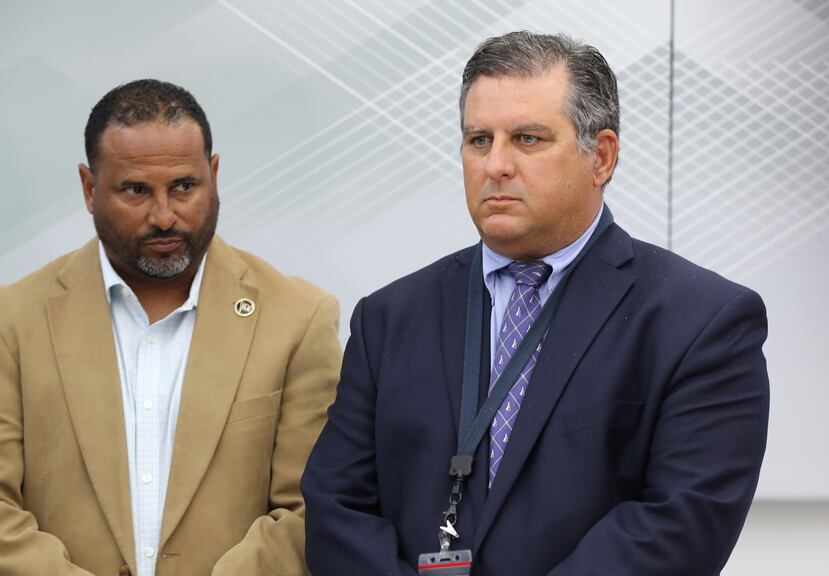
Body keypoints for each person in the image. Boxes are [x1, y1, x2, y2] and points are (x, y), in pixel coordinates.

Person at [301, 31, 769, 575]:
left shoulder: (701, 321)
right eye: (479, 140)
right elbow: (338, 511)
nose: (495, 164)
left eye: (527, 139)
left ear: (602, 157)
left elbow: (679, 527)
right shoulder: (389, 318)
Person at [0, 79, 341, 576]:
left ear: (215, 175)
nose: (164, 216)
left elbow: (312, 510)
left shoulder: (298, 318)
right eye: (136, 190)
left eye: (184, 186)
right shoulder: (13, 321)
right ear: (90, 188)